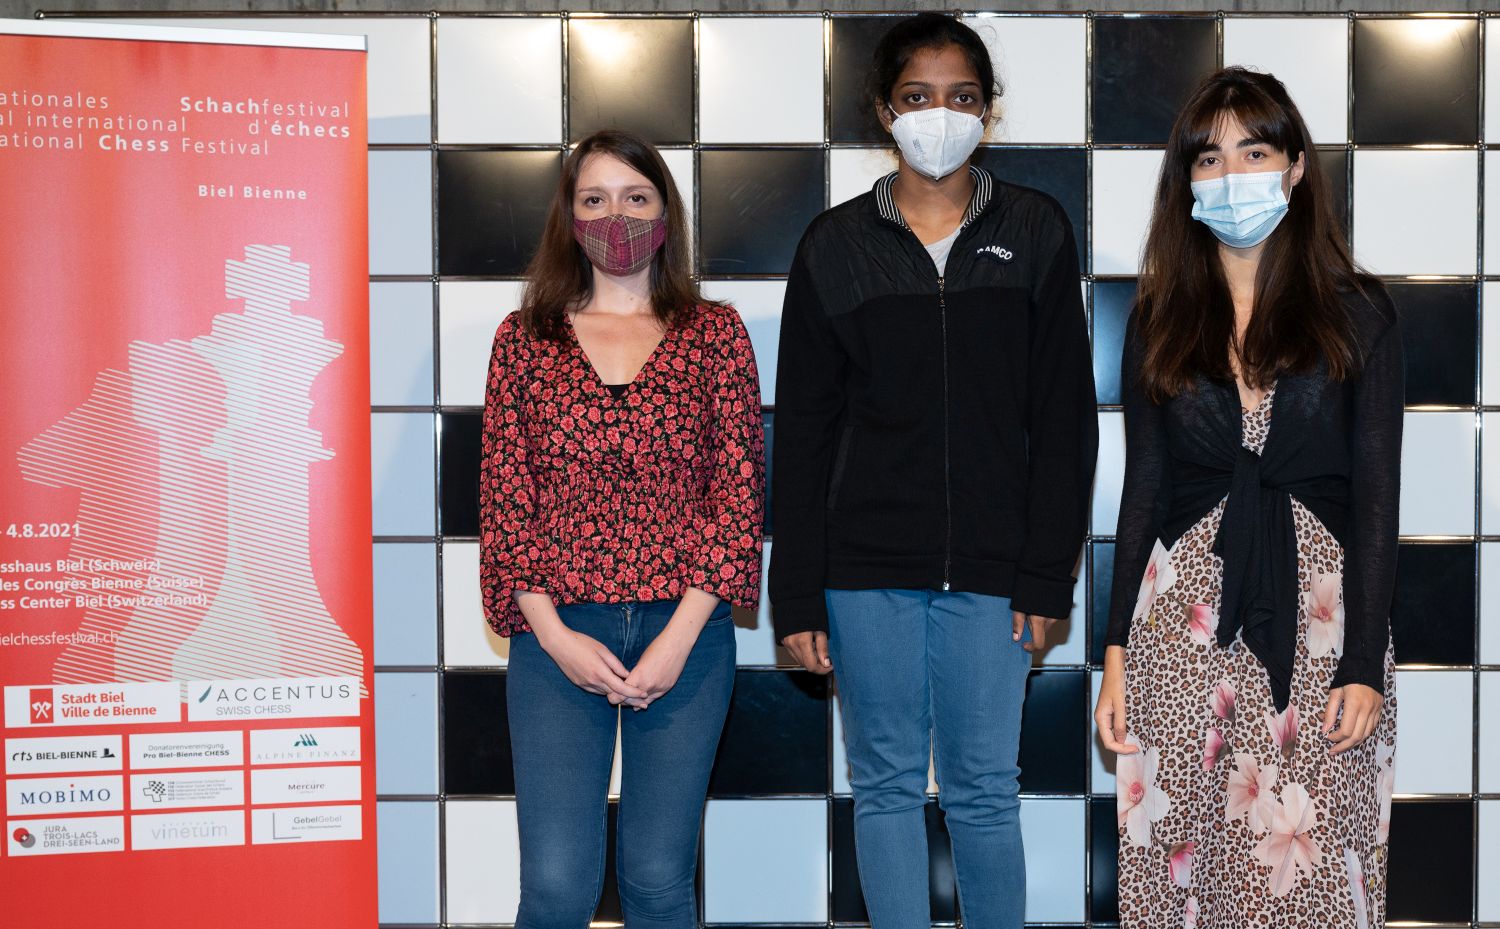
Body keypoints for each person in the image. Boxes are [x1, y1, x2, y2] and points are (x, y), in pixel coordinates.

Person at [770, 13, 1097, 927]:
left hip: (996, 572)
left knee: (984, 787)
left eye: (961, 96)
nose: (938, 114)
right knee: (882, 785)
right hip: (863, 568)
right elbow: (802, 435)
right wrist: (794, 594)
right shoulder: (834, 245)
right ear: (885, 110)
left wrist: (1047, 574)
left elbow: (1065, 421)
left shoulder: (1035, 229)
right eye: (917, 96)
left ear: (988, 111)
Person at [1093, 67, 1400, 928]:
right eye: (1210, 159)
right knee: (1178, 865)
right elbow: (1144, 488)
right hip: (1179, 623)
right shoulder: (1159, 317)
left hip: (1322, 620)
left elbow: (1377, 499)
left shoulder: (1359, 312)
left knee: (1309, 868)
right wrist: (1114, 652)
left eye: (1254, 153)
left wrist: (1363, 665)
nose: (1232, 176)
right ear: (1186, 182)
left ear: (1295, 167)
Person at [480, 128, 764, 929]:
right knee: (556, 886)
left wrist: (676, 640)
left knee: (659, 881)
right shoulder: (524, 339)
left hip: (687, 634)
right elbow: (506, 501)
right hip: (556, 637)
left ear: (665, 213)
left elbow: (738, 495)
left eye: (636, 197)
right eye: (595, 199)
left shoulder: (716, 334)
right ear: (569, 218)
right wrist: (556, 638)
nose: (617, 217)